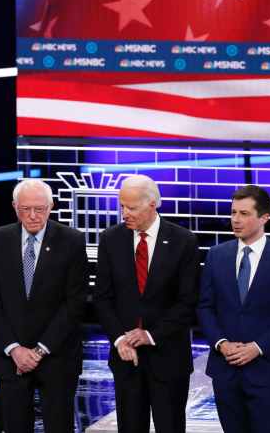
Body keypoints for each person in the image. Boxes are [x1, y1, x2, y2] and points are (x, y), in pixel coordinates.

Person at [93, 175, 200, 433]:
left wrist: (150, 335)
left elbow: (188, 301)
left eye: (131, 207)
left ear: (152, 206)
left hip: (168, 356)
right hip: (126, 358)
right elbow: (103, 299)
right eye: (121, 206)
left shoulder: (183, 240)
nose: (124, 213)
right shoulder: (110, 238)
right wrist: (120, 340)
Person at [0, 179, 89, 433]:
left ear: (50, 207)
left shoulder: (72, 240)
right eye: (26, 209)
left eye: (39, 209)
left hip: (57, 356)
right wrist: (15, 349)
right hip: (11, 359)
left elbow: (74, 302)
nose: (33, 216)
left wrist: (39, 351)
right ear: (15, 208)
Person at [196, 185, 270, 433]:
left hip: (267, 371)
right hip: (225, 370)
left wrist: (257, 347)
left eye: (244, 214)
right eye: (233, 212)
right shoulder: (216, 255)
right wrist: (222, 344)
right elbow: (205, 307)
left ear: (264, 217)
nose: (235, 219)